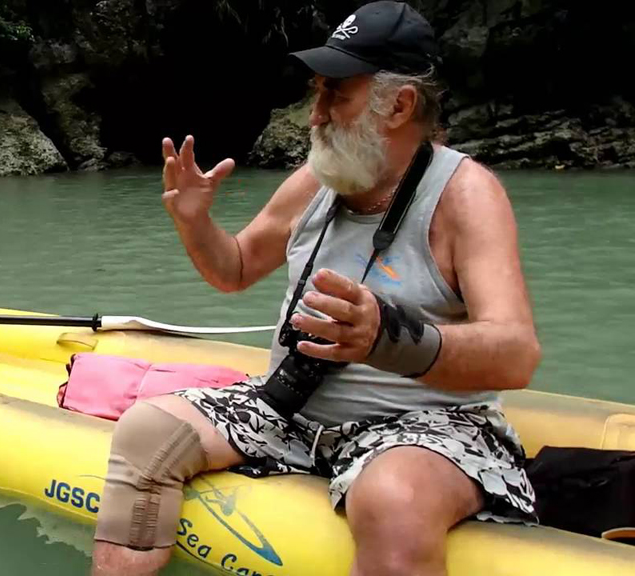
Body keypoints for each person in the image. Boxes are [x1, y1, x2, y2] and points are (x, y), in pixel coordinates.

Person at [90, 2, 542, 576]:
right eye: (317, 93)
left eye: (336, 96)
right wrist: (195, 222)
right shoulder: (317, 178)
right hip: (292, 412)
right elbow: (233, 270)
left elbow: (517, 354)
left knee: (393, 501)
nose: (314, 116)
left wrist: (389, 337)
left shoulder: (466, 194)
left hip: (428, 427)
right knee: (147, 432)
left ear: (400, 105)